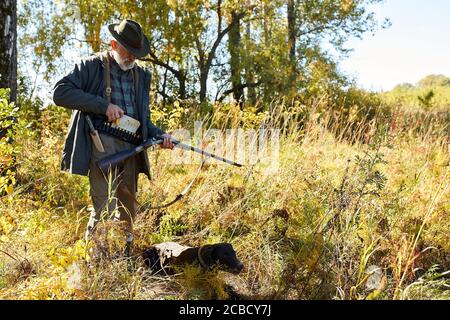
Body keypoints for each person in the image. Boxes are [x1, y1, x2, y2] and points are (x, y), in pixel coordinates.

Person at [53, 19, 174, 253]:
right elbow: (60, 93)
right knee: (104, 209)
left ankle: (125, 258)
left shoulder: (142, 76)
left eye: (135, 53)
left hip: (131, 149)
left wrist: (161, 136)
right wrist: (102, 106)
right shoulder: (90, 66)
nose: (131, 57)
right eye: (128, 51)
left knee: (129, 209)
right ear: (113, 44)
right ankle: (94, 264)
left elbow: (143, 121)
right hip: (101, 146)